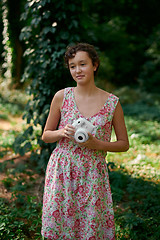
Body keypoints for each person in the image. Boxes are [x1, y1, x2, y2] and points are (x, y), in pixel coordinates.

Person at [41, 43, 129, 240]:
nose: (77, 70)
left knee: (90, 229)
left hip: (93, 173)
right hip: (62, 170)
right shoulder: (61, 97)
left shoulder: (112, 103)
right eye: (72, 66)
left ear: (95, 65)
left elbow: (124, 143)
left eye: (83, 64)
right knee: (60, 226)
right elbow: (46, 135)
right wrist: (63, 132)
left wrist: (97, 144)